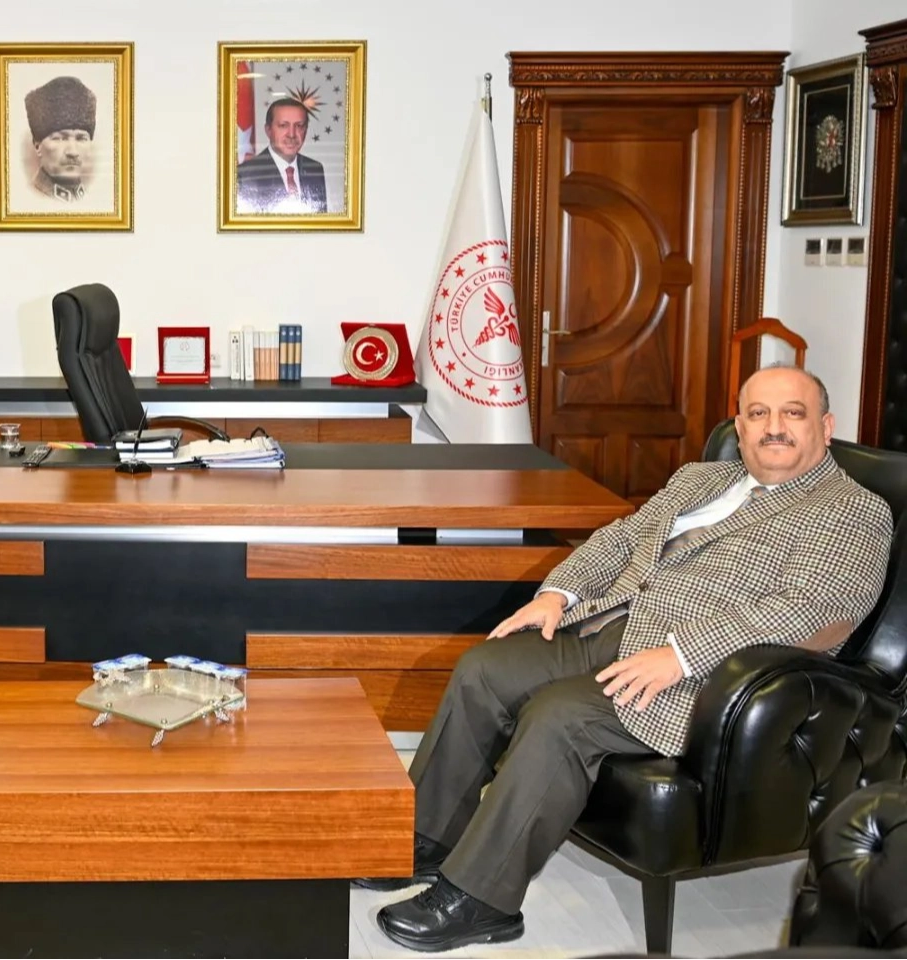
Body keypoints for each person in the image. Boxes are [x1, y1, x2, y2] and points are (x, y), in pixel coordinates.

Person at [361, 364, 894, 954]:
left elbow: (812, 612)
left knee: (561, 716)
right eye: (757, 413)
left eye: (792, 413)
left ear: (826, 426)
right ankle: (427, 838)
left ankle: (481, 899)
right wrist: (558, 594)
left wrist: (683, 654)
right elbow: (620, 538)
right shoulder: (701, 478)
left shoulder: (852, 510)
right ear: (739, 427)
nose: (774, 427)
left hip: (709, 676)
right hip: (613, 625)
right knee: (483, 669)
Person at [235, 98, 328, 214]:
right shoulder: (245, 174)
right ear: (268, 130)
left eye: (299, 126)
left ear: (306, 130)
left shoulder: (314, 168)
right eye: (283, 125)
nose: (292, 135)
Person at [24, 75, 96, 203]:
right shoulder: (24, 199)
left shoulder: (95, 200)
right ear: (37, 145)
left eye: (81, 138)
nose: (73, 152)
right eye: (60, 139)